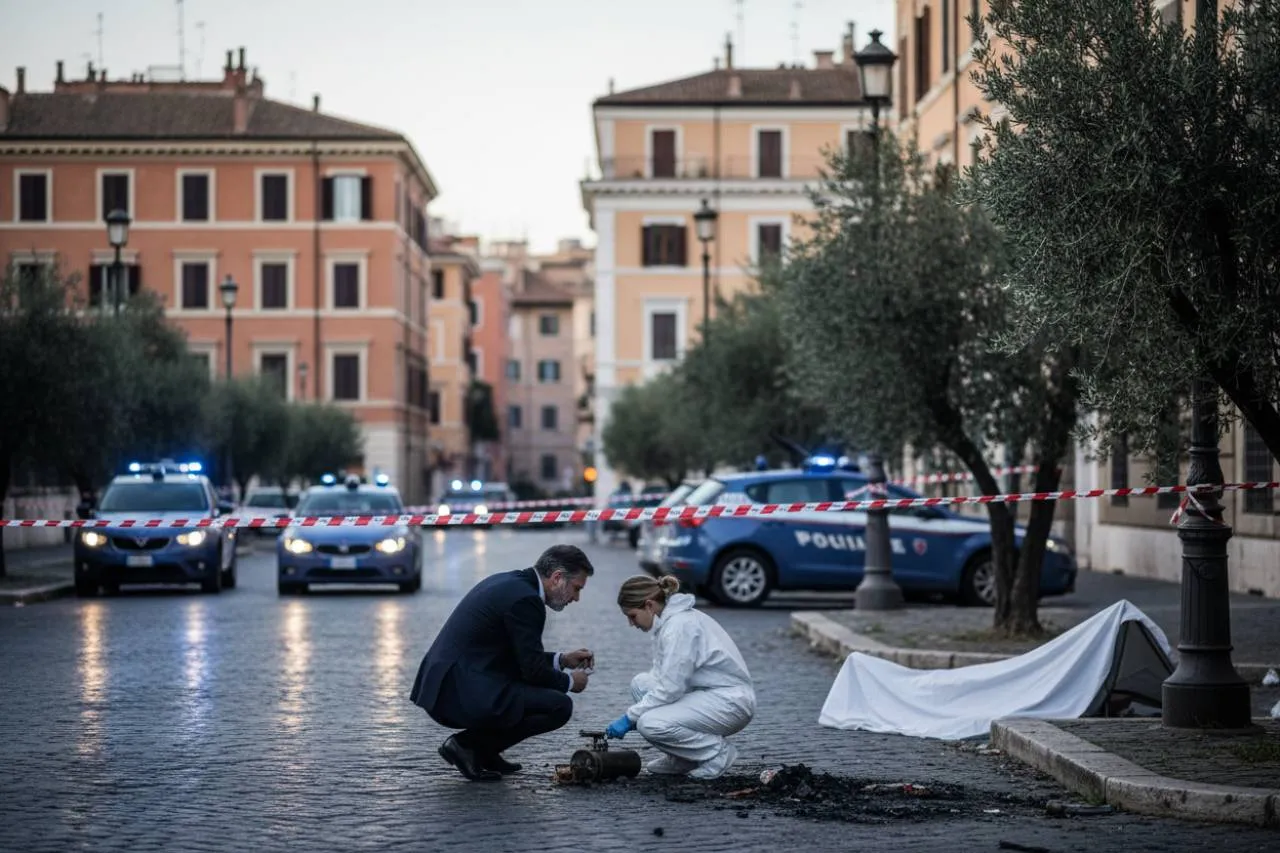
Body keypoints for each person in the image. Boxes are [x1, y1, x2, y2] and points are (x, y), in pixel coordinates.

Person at [409, 544, 596, 782]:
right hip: (459, 690)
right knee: (559, 706)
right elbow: (532, 671)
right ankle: (467, 745)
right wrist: (571, 681)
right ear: (557, 578)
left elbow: (515, 655)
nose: (576, 598)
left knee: (532, 695)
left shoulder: (512, 583)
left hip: (452, 680)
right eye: (576, 589)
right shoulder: (527, 601)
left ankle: (485, 751)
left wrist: (562, 659)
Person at [604, 575, 756, 779]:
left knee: (649, 724)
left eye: (632, 616)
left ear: (649, 605)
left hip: (729, 701)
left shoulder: (679, 627)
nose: (631, 623)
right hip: (708, 693)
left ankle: (717, 753)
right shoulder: (668, 623)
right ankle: (684, 757)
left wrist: (631, 716)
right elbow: (661, 678)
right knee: (640, 685)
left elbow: (670, 688)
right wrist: (637, 712)